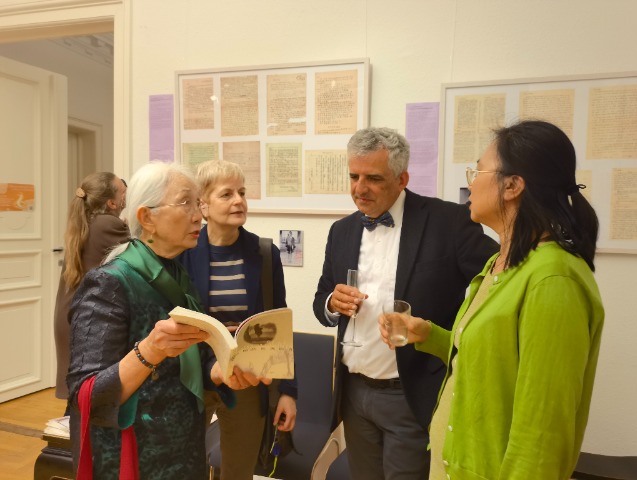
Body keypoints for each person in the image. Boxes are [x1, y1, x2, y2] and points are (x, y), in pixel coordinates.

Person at [379, 120, 604, 479]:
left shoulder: (553, 280)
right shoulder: (501, 263)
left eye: (478, 171)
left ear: (512, 186)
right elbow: (492, 358)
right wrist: (429, 335)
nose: (471, 183)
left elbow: (542, 437)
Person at [313, 127, 498, 479]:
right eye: (353, 176)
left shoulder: (449, 222)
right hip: (354, 393)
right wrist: (332, 303)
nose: (359, 188)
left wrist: (462, 338)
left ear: (402, 179)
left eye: (373, 178)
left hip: (412, 393)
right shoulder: (341, 231)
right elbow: (321, 298)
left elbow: (498, 283)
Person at [67, 163, 268, 479]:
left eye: (197, 203)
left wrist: (220, 371)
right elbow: (86, 395)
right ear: (147, 218)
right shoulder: (110, 283)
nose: (198, 216)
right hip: (136, 456)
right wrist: (149, 351)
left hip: (181, 450)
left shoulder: (175, 274)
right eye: (186, 203)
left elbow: (190, 362)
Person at [178, 159, 297, 480]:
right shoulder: (183, 253)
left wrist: (288, 391)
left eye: (242, 192)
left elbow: (279, 326)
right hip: (194, 379)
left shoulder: (265, 254)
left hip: (247, 379)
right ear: (203, 205)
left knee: (238, 473)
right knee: (183, 469)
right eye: (226, 194)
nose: (238, 201)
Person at [53, 172, 129, 405]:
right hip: (85, 318)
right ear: (112, 202)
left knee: (78, 391)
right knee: (88, 394)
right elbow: (139, 256)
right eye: (122, 191)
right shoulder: (108, 223)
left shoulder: (88, 220)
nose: (126, 195)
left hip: (70, 314)